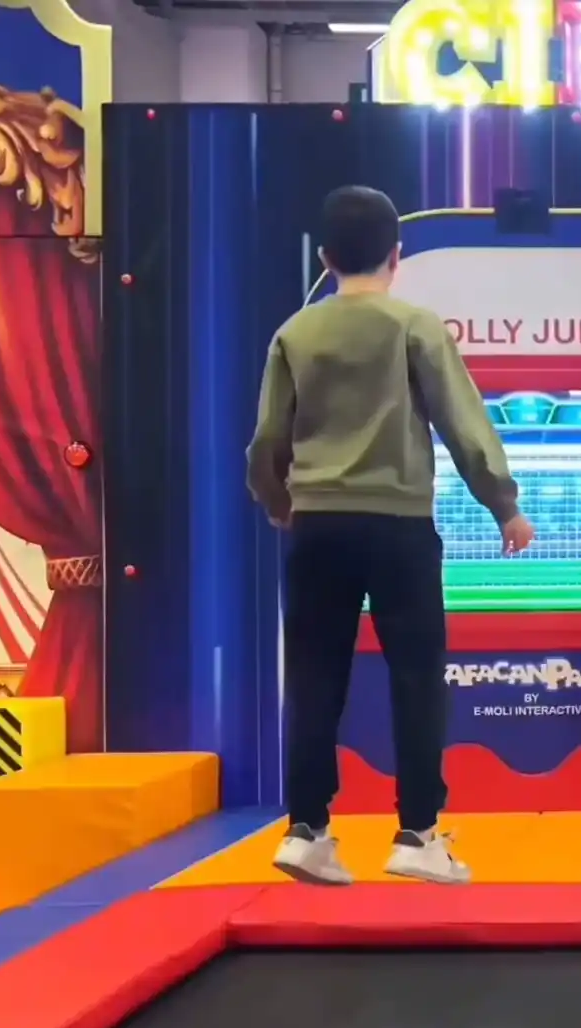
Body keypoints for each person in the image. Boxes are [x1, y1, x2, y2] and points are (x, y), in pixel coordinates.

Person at [246, 185, 535, 886]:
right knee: (416, 676)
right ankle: (417, 834)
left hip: (316, 526)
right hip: (399, 525)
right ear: (396, 256)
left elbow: (267, 440)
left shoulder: (294, 333)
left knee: (313, 676)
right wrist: (503, 505)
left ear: (324, 257)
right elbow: (464, 423)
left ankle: (306, 829)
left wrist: (280, 501)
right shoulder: (415, 326)